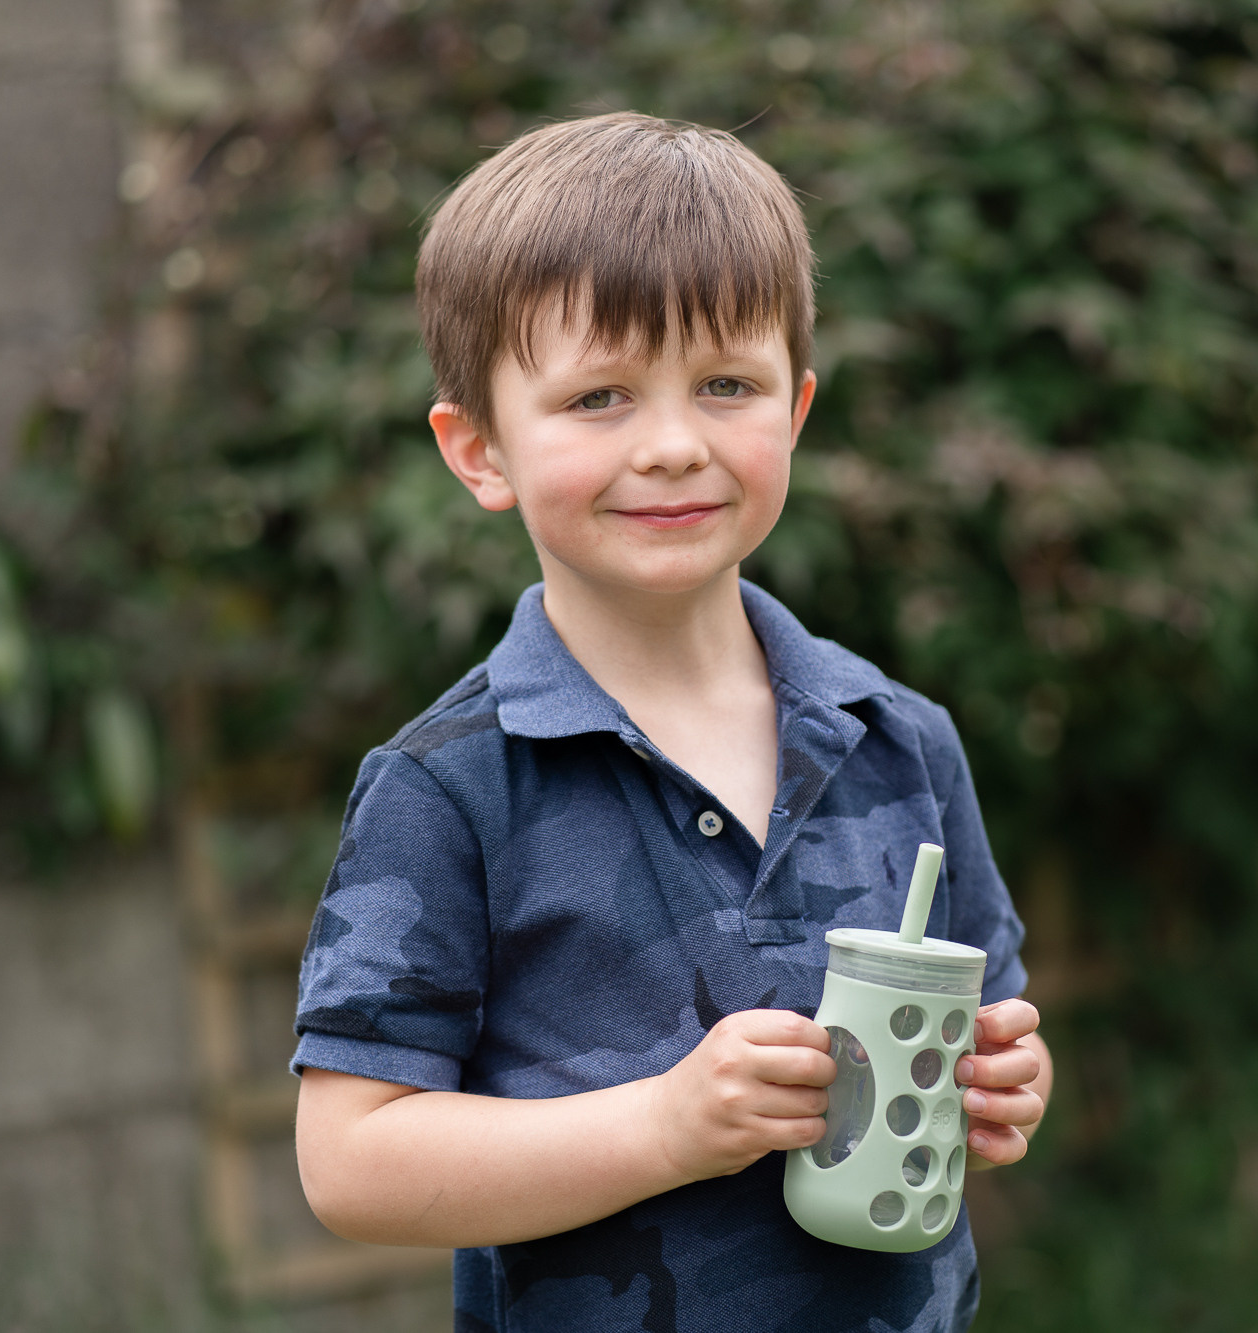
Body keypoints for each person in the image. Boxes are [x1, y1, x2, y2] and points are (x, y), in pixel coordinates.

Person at [291, 111, 1051, 1333]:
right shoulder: (449, 788)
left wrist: (1004, 1085)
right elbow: (349, 1163)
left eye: (725, 386)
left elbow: (989, 1032)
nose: (672, 445)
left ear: (794, 412)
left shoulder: (897, 737)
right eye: (599, 396)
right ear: (477, 449)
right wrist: (664, 1125)